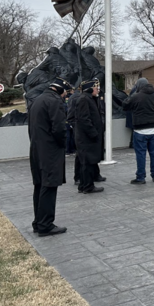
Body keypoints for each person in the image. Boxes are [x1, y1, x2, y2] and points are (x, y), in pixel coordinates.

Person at [28, 77, 72, 237]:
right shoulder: (54, 101)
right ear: (60, 90)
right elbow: (59, 128)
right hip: (50, 150)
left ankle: (38, 222)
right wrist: (63, 144)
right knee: (49, 186)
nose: (65, 96)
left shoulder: (37, 100)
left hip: (37, 148)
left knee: (39, 185)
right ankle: (45, 225)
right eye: (65, 93)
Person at [123, 77, 154, 185]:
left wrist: (132, 94)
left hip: (140, 130)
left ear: (138, 86)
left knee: (141, 155)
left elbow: (125, 105)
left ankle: (141, 177)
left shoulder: (136, 96)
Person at [71, 79, 104, 195]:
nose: (97, 90)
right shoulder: (84, 99)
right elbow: (84, 119)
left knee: (87, 162)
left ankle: (83, 185)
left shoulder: (89, 99)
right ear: (89, 89)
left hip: (87, 137)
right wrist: (93, 133)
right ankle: (88, 186)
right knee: (87, 162)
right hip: (86, 138)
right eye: (95, 88)